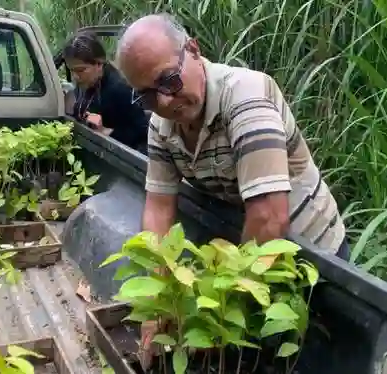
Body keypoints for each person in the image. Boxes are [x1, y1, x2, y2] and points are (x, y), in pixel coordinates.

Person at [115, 13, 350, 370]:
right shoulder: (163, 124)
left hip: (311, 253)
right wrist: (159, 300)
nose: (164, 102)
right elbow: (159, 209)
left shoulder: (246, 97)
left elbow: (270, 217)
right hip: (250, 251)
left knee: (301, 354)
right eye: (147, 97)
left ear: (193, 50)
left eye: (169, 81)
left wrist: (217, 317)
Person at [62, 32, 149, 153]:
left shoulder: (119, 89)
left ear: (99, 64)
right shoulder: (88, 83)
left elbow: (142, 132)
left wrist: (105, 131)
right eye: (71, 70)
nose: (75, 76)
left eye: (80, 70)